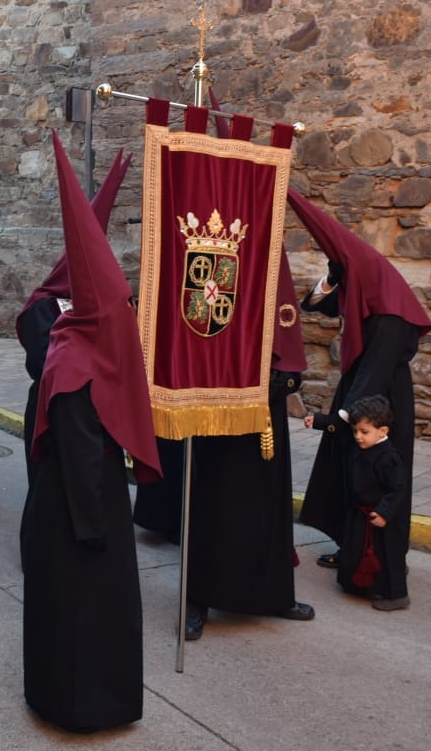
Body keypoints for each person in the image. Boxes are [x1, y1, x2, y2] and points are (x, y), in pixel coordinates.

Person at [23, 132, 161, 733]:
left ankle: (65, 694)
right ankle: (85, 706)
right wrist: (97, 530)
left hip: (73, 498)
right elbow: (81, 458)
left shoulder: (74, 343)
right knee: (86, 608)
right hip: (83, 509)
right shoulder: (78, 364)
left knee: (69, 608)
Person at [133, 251, 316, 640]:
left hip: (263, 397)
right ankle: (198, 598)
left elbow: (283, 309)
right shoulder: (209, 246)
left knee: (268, 501)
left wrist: (285, 371)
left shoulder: (267, 238)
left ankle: (273, 595)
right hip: (215, 388)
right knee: (212, 501)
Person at [286, 189, 431, 572]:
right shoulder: (361, 285)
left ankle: (378, 559)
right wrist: (331, 278)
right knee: (348, 475)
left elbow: (378, 369)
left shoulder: (391, 311)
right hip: (358, 391)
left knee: (374, 479)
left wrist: (345, 418)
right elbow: (314, 303)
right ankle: (350, 546)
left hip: (381, 403)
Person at [305, 395, 410, 610]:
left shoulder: (388, 457)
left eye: (364, 432)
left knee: (385, 555)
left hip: (379, 516)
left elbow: (398, 488)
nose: (358, 437)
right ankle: (359, 586)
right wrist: (319, 421)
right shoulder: (358, 447)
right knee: (355, 550)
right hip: (360, 513)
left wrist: (384, 512)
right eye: (356, 431)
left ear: (383, 431)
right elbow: (339, 432)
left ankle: (395, 595)